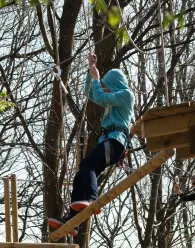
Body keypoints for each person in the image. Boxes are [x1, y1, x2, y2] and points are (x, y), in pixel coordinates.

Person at [48, 54, 134, 236]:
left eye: (107, 86)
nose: (105, 89)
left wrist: (96, 78)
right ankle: (72, 219)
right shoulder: (114, 99)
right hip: (109, 141)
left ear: (115, 84)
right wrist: (90, 69)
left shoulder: (126, 95)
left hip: (116, 141)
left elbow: (101, 97)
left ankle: (92, 200)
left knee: (88, 166)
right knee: (82, 173)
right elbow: (91, 94)